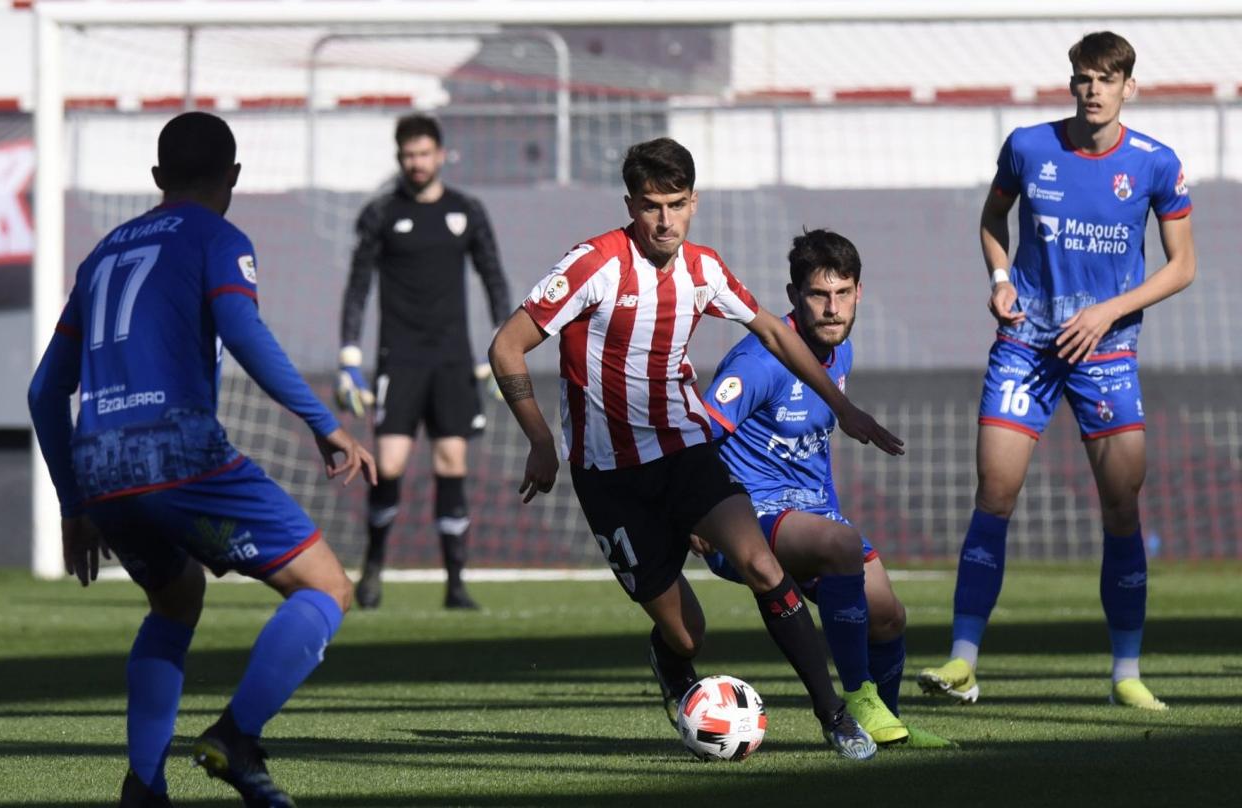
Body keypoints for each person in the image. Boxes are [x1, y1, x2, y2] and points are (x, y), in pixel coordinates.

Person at [488, 137, 904, 761]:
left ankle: (834, 715)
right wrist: (541, 441)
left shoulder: (703, 269)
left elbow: (770, 328)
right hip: (610, 477)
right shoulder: (594, 265)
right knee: (688, 632)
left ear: (694, 202)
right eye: (651, 206)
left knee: (764, 566)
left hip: (685, 451)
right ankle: (669, 659)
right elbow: (506, 346)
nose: (664, 220)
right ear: (631, 204)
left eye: (676, 204)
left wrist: (842, 407)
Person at [27, 111, 376, 808]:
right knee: (327, 588)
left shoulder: (102, 254)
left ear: (156, 179)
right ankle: (237, 738)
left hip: (101, 466)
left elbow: (44, 390)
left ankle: (144, 785)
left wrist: (74, 503)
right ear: (234, 177)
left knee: (176, 599)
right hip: (181, 453)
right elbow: (242, 329)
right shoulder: (219, 237)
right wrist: (323, 423)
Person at [917, 31, 1195, 711]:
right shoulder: (1028, 146)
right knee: (995, 490)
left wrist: (1109, 312)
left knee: (1122, 504)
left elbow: (1182, 266)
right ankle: (962, 662)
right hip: (1027, 345)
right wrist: (1001, 276)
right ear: (1071, 83)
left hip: (1105, 352)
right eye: (1083, 78)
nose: (1093, 89)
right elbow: (992, 217)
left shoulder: (1158, 164)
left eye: (1107, 78)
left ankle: (1126, 671)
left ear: (1130, 87)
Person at [693, 228, 950, 748]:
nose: (832, 308)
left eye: (843, 293)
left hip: (812, 512)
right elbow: (694, 436)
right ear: (794, 297)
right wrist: (695, 517)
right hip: (747, 521)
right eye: (818, 294)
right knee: (841, 546)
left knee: (888, 614)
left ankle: (887, 726)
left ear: (859, 293)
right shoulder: (759, 363)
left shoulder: (842, 352)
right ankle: (854, 701)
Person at [335, 114, 511, 610]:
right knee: (388, 463)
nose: (417, 163)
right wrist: (350, 353)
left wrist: (505, 342)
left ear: (440, 155)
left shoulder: (467, 212)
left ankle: (455, 583)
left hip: (453, 359)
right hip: (400, 358)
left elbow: (493, 278)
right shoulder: (380, 214)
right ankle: (371, 572)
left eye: (424, 153)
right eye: (408, 155)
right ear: (399, 158)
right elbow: (358, 286)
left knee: (451, 462)